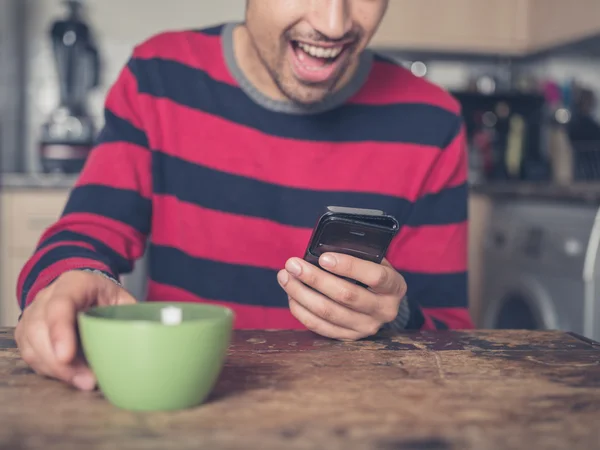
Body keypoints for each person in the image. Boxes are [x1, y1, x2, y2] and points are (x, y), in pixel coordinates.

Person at [15, 0, 473, 391]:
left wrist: (393, 315)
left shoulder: (433, 121)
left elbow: (452, 337)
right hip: (186, 399)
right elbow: (87, 231)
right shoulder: (159, 75)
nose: (335, 24)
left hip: (354, 412)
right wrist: (67, 282)